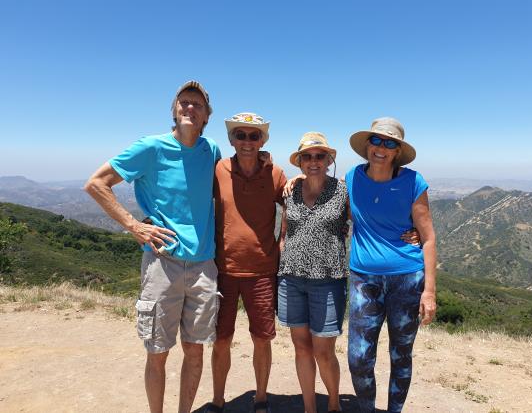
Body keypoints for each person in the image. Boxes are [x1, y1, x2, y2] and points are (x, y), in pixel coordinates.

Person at [85, 80, 221, 413]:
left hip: (204, 266)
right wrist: (133, 225)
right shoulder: (151, 147)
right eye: (184, 103)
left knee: (196, 350)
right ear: (174, 111)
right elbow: (96, 183)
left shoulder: (211, 150)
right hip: (163, 264)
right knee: (158, 352)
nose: (189, 108)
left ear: (206, 117)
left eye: (197, 105)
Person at [345, 117, 437, 412]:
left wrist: (430, 292)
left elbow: (429, 238)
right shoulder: (351, 177)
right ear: (367, 145)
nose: (381, 148)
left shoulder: (413, 182)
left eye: (389, 143)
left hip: (407, 279)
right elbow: (334, 202)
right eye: (377, 141)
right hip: (364, 279)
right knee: (358, 358)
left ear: (397, 150)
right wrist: (294, 180)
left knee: (401, 355)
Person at [209, 112, 287, 413]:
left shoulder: (275, 173)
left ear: (262, 140)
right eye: (241, 135)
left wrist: (283, 240)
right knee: (221, 340)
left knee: (262, 339)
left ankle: (261, 398)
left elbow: (293, 204)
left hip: (262, 271)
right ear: (232, 139)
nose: (247, 142)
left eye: (254, 136)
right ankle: (217, 400)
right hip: (223, 269)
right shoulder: (219, 170)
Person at [277, 132, 348, 413]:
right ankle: (309, 408)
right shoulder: (290, 190)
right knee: (301, 348)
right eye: (307, 156)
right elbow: (284, 234)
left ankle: (333, 405)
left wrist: (412, 233)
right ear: (300, 162)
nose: (314, 161)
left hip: (328, 280)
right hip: (291, 278)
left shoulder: (343, 191)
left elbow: (367, 221)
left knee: (323, 351)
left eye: (320, 156)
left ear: (329, 160)